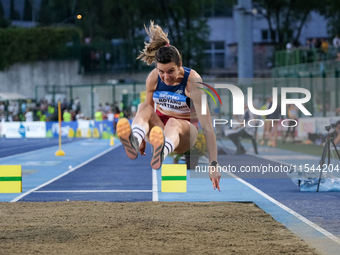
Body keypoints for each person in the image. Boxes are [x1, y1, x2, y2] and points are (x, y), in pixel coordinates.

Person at [116, 21, 221, 191]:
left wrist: (213, 164)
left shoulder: (192, 82)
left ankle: (161, 152)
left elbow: (208, 127)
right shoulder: (153, 78)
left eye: (170, 71)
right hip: (159, 130)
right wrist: (143, 140)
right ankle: (134, 140)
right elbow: (147, 113)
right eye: (161, 71)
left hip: (185, 134)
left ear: (180, 65)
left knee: (173, 122)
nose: (165, 77)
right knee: (144, 107)